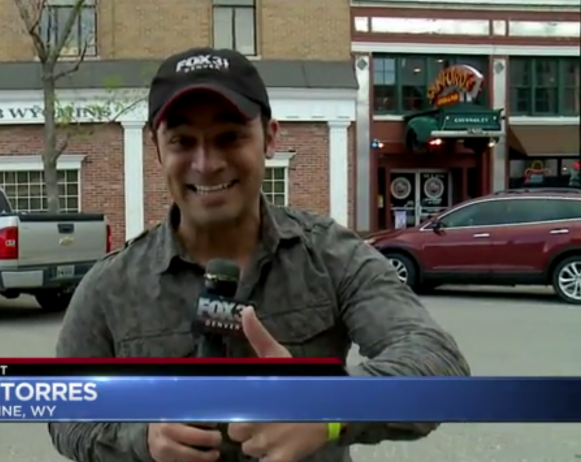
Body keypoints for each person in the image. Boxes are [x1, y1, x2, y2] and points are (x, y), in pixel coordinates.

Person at [48, 47, 470, 462]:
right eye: (182, 141)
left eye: (230, 137)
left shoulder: (331, 256)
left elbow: (435, 364)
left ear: (270, 138)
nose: (207, 163)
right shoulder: (111, 286)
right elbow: (66, 414)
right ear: (158, 149)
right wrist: (140, 439)